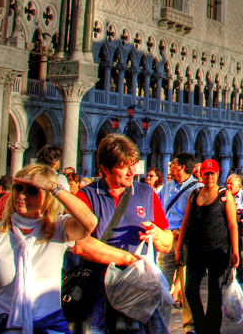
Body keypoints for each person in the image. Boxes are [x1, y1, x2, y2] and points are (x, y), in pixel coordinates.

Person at [0, 164, 98, 334]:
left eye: (31, 190)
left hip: (49, 326)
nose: (22, 195)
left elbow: (89, 223)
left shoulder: (58, 228)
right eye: (18, 187)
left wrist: (53, 187)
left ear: (47, 196)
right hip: (1, 327)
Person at [71, 134, 173, 334]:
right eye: (123, 166)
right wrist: (127, 259)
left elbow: (167, 244)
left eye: (132, 165)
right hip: (97, 293)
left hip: (138, 293)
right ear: (105, 169)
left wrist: (157, 234)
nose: (131, 172)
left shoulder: (146, 193)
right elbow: (80, 244)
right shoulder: (87, 196)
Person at [177, 159, 239, 334]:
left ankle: (212, 329)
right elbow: (186, 222)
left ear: (218, 174)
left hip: (218, 251)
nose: (209, 177)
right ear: (201, 174)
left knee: (214, 292)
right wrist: (179, 248)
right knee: (190, 290)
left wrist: (235, 251)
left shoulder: (224, 195)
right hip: (196, 251)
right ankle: (202, 326)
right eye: (206, 173)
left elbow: (233, 225)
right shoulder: (195, 194)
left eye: (212, 173)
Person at [158, 152, 201, 331]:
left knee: (187, 288)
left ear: (181, 167)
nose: (170, 165)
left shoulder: (197, 188)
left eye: (173, 163)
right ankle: (159, 326)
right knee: (161, 284)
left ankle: (189, 327)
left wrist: (181, 232)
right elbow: (159, 211)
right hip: (167, 239)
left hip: (186, 242)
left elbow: (199, 217)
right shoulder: (166, 187)